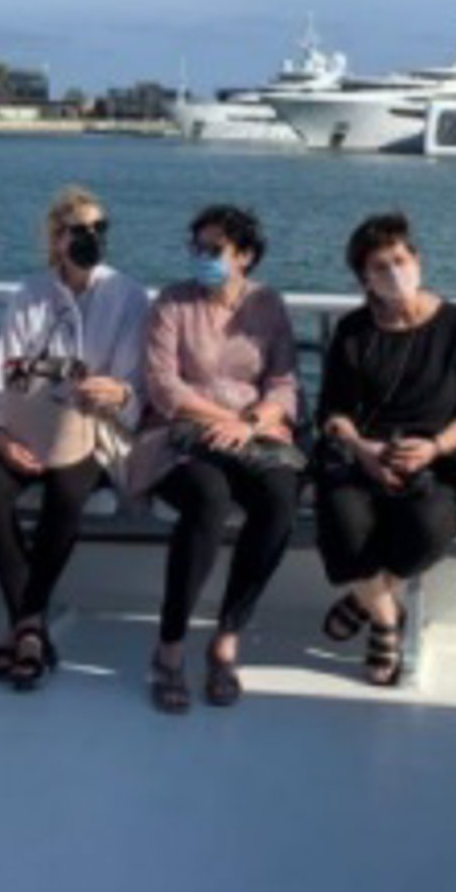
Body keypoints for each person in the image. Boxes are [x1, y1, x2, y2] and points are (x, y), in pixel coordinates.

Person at [0, 185, 148, 691]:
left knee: (68, 489)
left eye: (100, 228)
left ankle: (25, 625)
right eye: (79, 230)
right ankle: (31, 623)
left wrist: (117, 393)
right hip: (29, 425)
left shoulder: (127, 296)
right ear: (55, 239)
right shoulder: (31, 294)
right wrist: (0, 435)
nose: (92, 238)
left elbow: (136, 383)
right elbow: (0, 374)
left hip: (91, 430)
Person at [313, 211, 456, 688]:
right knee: (344, 522)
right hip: (364, 455)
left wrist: (433, 447)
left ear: (417, 259)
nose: (394, 272)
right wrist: (362, 449)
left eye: (400, 260)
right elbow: (331, 411)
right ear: (364, 279)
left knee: (429, 528)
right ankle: (387, 622)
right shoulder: (354, 331)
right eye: (379, 267)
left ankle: (364, 599)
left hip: (436, 458)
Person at [139, 204, 302, 713]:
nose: (202, 257)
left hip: (251, 437)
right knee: (207, 498)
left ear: (245, 256)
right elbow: (163, 385)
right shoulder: (173, 303)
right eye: (197, 247)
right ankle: (169, 648)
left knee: (281, 498)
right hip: (180, 435)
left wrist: (249, 424)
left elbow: (284, 383)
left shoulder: (269, 305)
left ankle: (227, 637)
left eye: (215, 249)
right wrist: (224, 419)